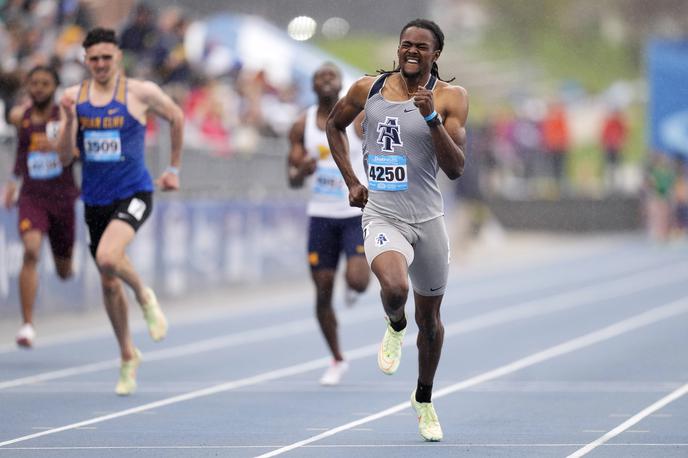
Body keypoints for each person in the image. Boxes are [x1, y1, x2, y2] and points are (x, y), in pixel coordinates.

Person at [326, 19, 467, 441]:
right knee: (394, 288)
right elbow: (334, 125)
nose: (411, 52)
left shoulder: (450, 97)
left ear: (435, 54)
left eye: (421, 47)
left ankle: (423, 398)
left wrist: (431, 118)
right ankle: (394, 324)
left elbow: (456, 168)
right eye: (406, 44)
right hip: (382, 215)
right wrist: (352, 180)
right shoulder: (367, 90)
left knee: (432, 321)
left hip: (428, 220)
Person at [56, 28, 184, 396]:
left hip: (135, 191)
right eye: (93, 59)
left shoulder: (139, 92)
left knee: (109, 256)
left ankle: (145, 296)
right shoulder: (72, 98)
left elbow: (175, 116)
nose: (100, 65)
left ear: (118, 58)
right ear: (85, 60)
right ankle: (128, 355)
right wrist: (67, 122)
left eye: (106, 58)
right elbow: (65, 157)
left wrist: (173, 169)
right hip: (96, 198)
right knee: (108, 279)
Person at [287, 63, 370, 386]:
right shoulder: (301, 125)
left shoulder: (357, 119)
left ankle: (354, 283)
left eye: (330, 76)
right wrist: (302, 171)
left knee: (359, 281)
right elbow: (291, 178)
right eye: (319, 77)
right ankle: (337, 358)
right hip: (320, 215)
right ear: (312, 84)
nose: (325, 80)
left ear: (340, 84)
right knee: (322, 291)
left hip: (354, 213)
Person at [2, 65, 79, 348]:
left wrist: (60, 146)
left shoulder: (66, 116)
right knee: (31, 251)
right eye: (34, 83)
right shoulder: (19, 117)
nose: (39, 88)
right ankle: (27, 325)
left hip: (62, 197)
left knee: (64, 270)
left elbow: (76, 155)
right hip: (32, 196)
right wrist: (12, 182)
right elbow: (20, 152)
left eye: (45, 83)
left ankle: (64, 265)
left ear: (55, 87)